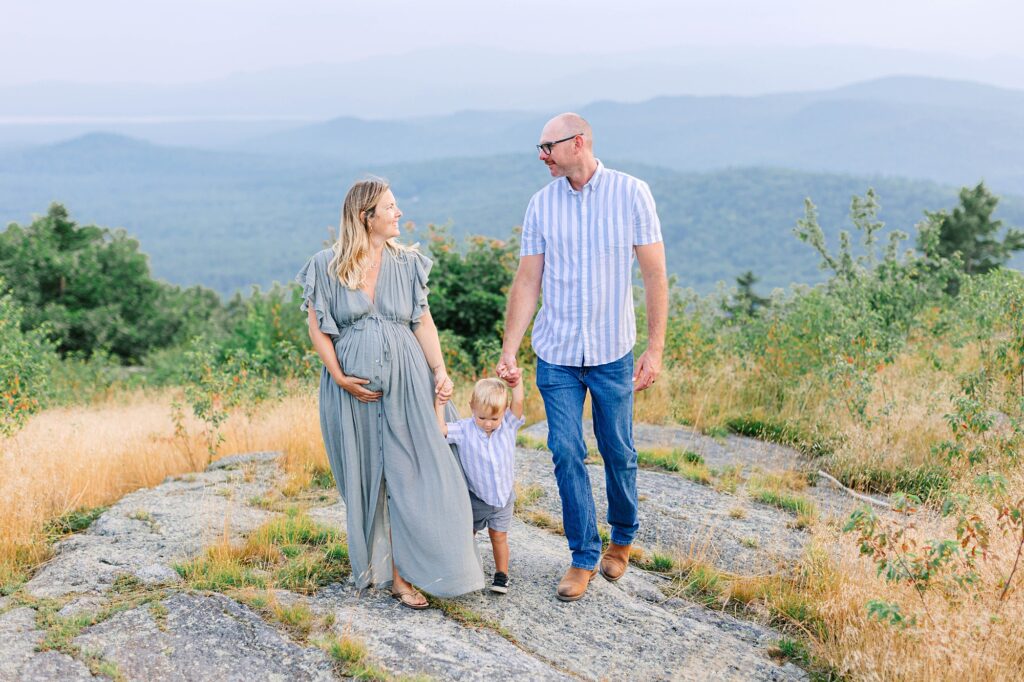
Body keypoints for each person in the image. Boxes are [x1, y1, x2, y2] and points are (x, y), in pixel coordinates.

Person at [497, 113, 668, 602]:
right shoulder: (540, 205)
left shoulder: (632, 193)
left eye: (548, 146)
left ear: (579, 142)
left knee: (617, 450)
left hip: (614, 350)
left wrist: (654, 349)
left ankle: (623, 538)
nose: (541, 155)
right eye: (540, 147)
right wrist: (510, 348)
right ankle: (583, 556)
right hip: (557, 353)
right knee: (566, 451)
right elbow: (528, 280)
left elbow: (655, 275)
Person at [297, 177, 484, 609]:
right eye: (390, 207)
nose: (398, 213)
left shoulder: (408, 263)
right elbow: (318, 329)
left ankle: (419, 570)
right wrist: (341, 377)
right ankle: (390, 571)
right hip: (351, 392)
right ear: (367, 216)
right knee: (371, 479)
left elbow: (422, 322)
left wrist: (440, 371)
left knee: (418, 471)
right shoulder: (326, 266)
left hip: (409, 384)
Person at [434, 376, 526, 594]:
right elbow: (441, 431)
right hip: (476, 499)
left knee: (499, 536)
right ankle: (463, 570)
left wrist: (517, 383)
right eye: (482, 417)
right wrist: (440, 405)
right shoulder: (465, 430)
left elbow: (519, 404)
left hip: (503, 499)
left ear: (504, 411)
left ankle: (501, 575)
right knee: (467, 534)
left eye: (494, 418)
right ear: (472, 408)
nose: (487, 423)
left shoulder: (508, 427)